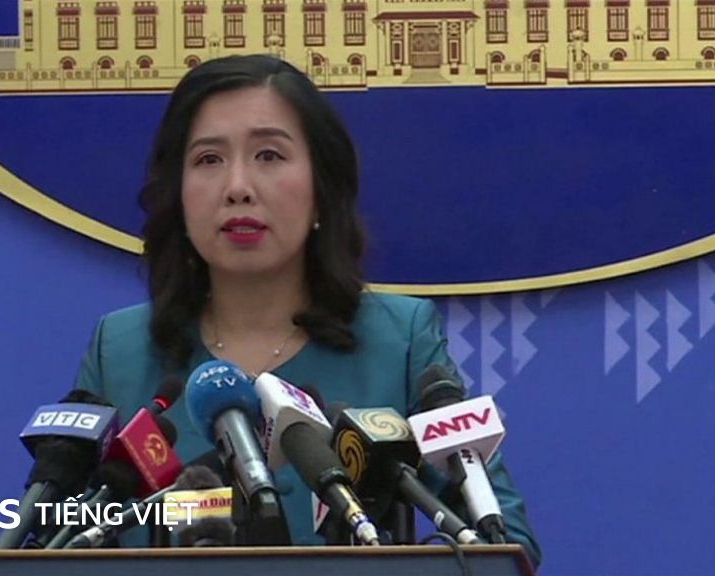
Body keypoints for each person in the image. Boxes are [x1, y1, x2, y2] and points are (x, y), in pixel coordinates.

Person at [73, 54, 541, 567]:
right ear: (178, 193)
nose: (238, 187)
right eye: (208, 159)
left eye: (269, 155)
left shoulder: (399, 340)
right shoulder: (121, 350)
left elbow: (503, 544)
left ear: (321, 189)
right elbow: (57, 540)